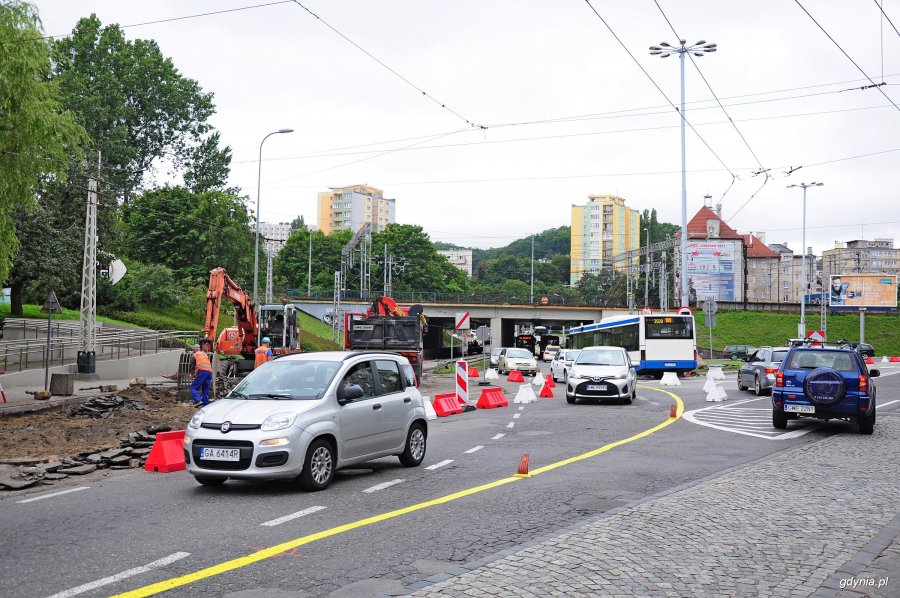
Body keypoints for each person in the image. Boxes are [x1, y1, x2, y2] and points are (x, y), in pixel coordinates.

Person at [190, 343, 213, 407]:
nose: (192, 351)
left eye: (193, 350)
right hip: (209, 373)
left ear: (194, 350)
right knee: (205, 389)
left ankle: (197, 401)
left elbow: (192, 365)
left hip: (202, 372)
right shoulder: (204, 354)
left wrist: (192, 373)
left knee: (193, 387)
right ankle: (205, 404)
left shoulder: (195, 355)